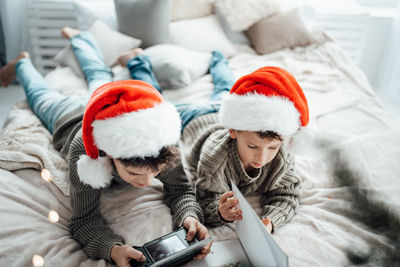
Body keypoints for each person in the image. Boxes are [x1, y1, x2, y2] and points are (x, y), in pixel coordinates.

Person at [0, 28, 211, 266]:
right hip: (68, 115)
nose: (147, 182)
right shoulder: (86, 156)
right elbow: (84, 220)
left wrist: (189, 215)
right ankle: (22, 62)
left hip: (108, 108)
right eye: (134, 173)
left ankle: (79, 37)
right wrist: (112, 249)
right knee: (39, 95)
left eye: (156, 172)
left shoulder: (162, 142)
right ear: (109, 157)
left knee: (100, 74)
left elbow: (181, 190)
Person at [177, 51, 310, 233]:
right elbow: (206, 201)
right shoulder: (216, 159)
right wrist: (219, 212)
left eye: (272, 147)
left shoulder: (281, 155)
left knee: (225, 85)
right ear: (233, 131)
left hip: (225, 111)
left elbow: (287, 194)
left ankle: (219, 59)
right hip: (194, 117)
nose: (262, 157)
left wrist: (271, 221)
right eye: (252, 146)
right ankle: (138, 61)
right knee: (157, 104)